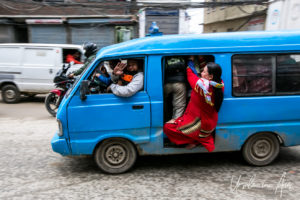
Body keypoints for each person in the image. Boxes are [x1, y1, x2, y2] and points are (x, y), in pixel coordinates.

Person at [163, 62, 224, 152]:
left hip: (199, 122)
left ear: (210, 76)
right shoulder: (220, 85)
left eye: (204, 72)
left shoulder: (199, 86)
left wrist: (188, 64)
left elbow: (190, 75)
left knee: (168, 127)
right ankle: (196, 139)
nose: (201, 73)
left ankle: (194, 140)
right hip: (210, 122)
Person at [164, 57, 187, 123]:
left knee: (163, 102)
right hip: (179, 83)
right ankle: (175, 124)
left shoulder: (166, 59)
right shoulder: (181, 57)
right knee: (179, 105)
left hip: (166, 83)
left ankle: (165, 119)